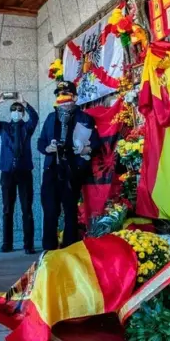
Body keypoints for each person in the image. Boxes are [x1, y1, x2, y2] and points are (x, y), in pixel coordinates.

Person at [36, 81, 98, 251]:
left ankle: (70, 250)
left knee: (71, 213)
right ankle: (49, 250)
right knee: (50, 212)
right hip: (52, 170)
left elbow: (96, 142)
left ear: (75, 97)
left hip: (72, 171)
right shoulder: (51, 117)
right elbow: (41, 142)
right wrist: (48, 148)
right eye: (59, 95)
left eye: (66, 95)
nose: (62, 98)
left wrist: (86, 148)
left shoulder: (84, 118)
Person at [0, 93, 38, 254]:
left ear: (22, 113)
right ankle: (7, 243)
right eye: (14, 109)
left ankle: (28, 245)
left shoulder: (27, 128)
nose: (16, 111)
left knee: (26, 209)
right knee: (7, 209)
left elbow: (34, 118)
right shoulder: (3, 127)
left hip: (24, 172)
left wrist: (25, 103)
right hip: (7, 172)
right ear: (10, 113)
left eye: (19, 110)